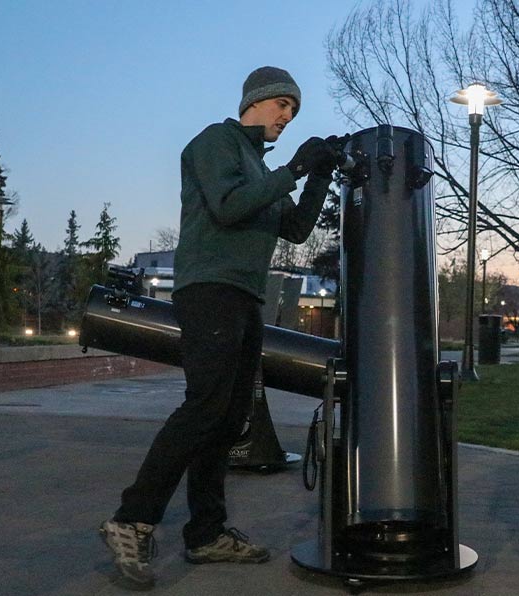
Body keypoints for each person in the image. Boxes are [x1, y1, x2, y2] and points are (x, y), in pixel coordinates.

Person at [98, 66, 346, 590]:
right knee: (205, 405)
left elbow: (297, 231)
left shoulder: (260, 168)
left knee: (230, 416)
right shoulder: (218, 143)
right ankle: (131, 519)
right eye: (283, 105)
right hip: (209, 288)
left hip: (245, 296)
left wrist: (319, 171)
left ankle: (206, 533)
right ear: (255, 101)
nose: (288, 116)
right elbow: (229, 208)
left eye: (295, 111)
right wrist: (295, 169)